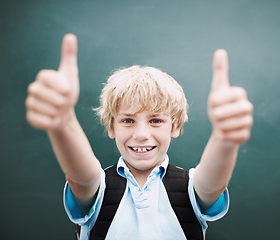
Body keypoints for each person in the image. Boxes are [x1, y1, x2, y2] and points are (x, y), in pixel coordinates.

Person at [25, 33, 253, 240]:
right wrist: (63, 124)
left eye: (155, 121)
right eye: (127, 120)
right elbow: (81, 178)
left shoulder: (191, 187)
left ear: (175, 127)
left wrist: (224, 140)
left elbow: (213, 184)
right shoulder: (99, 187)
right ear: (111, 128)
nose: (142, 135)